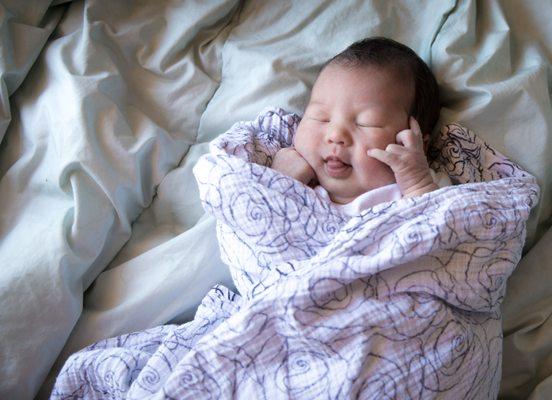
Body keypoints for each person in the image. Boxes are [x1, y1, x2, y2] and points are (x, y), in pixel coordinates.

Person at [271, 37, 448, 214]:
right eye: (321, 117)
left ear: (417, 148)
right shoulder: (290, 182)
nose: (335, 135)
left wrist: (417, 183)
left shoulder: (422, 189)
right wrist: (278, 180)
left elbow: (445, 229)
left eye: (367, 123)